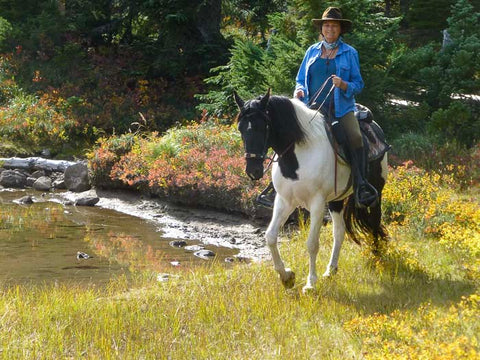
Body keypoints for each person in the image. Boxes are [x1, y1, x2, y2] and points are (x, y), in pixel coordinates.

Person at [293, 6, 377, 208]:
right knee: (288, 133)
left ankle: (361, 184)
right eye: (327, 25)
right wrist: (299, 90)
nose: (330, 29)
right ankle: (278, 185)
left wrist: (344, 85)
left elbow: (359, 84)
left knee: (356, 137)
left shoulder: (350, 53)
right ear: (321, 29)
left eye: (334, 26)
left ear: (340, 30)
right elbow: (300, 79)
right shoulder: (311, 51)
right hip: (311, 108)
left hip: (341, 109)